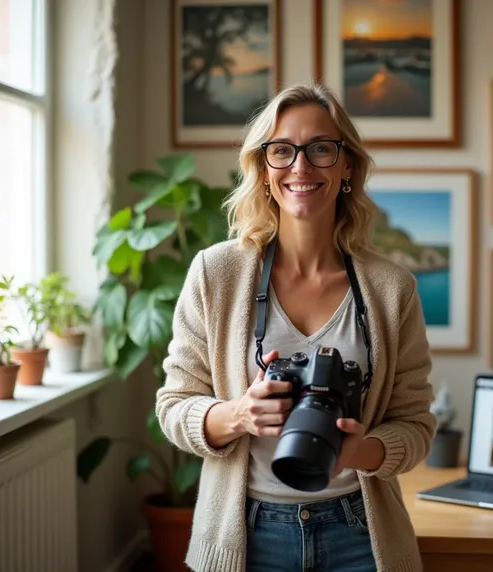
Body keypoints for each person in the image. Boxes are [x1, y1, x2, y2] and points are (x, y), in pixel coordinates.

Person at [155, 82, 436, 572]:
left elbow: (416, 425)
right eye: (282, 150)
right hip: (246, 533)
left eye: (321, 149)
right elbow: (173, 407)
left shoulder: (393, 289)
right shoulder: (215, 273)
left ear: (346, 164)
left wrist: (363, 451)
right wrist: (240, 415)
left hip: (360, 534)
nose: (300, 167)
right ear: (263, 168)